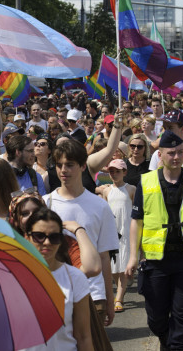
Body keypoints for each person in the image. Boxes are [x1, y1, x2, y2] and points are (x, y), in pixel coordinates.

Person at [126, 130, 183, 351]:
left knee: (182, 315)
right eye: (171, 153)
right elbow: (136, 222)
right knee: (156, 319)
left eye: (179, 152)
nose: (176, 157)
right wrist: (131, 258)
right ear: (159, 155)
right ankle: (168, 343)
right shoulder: (146, 182)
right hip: (155, 262)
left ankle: (177, 346)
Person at [44, 139, 120, 329]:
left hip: (93, 295)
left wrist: (110, 302)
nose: (63, 170)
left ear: (83, 166)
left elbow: (104, 257)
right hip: (56, 294)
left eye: (69, 165)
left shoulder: (100, 206)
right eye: (59, 165)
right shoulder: (45, 204)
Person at [23, 208, 92, 351]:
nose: (47, 242)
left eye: (54, 237)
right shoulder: (10, 277)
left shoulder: (74, 278)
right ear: (27, 238)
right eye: (39, 236)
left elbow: (83, 336)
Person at [95, 159, 135, 314]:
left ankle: (118, 298)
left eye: (118, 171)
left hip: (126, 232)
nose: (114, 174)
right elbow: (104, 211)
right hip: (112, 232)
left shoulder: (131, 189)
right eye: (111, 171)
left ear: (124, 172)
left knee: (123, 267)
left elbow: (136, 212)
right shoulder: (106, 190)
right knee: (113, 268)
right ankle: (118, 293)